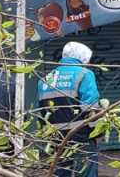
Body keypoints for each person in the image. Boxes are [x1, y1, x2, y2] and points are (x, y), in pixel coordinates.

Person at [37, 42, 101, 177]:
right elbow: (91, 108)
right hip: (82, 136)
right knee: (86, 172)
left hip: (57, 138)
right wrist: (97, 134)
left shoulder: (45, 79)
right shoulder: (85, 74)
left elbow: (42, 113)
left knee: (60, 173)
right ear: (83, 58)